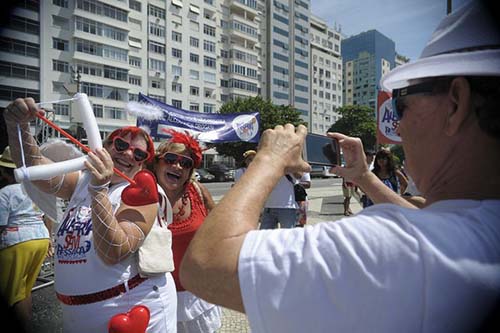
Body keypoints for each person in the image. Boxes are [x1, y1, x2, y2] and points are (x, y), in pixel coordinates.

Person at [179, 2, 500, 332]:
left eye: (401, 104)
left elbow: (206, 264)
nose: (398, 127)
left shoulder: (396, 248)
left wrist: (269, 159)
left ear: (456, 104)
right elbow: (430, 222)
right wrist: (363, 176)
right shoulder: (474, 232)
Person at [3, 99, 177, 332]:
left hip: (132, 309)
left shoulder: (142, 192)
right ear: (105, 145)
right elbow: (34, 168)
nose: (127, 153)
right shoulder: (82, 181)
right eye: (120, 144)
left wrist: (99, 190)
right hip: (78, 314)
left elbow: (115, 250)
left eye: (138, 154)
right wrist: (18, 124)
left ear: (142, 165)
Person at [153, 130, 221, 333]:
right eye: (171, 159)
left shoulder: (198, 192)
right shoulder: (140, 192)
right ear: (157, 163)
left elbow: (220, 230)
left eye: (185, 163)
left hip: (196, 296)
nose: (177, 166)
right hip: (155, 299)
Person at [0, 146, 50, 332]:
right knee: (24, 290)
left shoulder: (5, 192)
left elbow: (1, 224)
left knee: (10, 293)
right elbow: (49, 216)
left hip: (16, 242)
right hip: (41, 239)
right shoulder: (37, 189)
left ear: (6, 172)